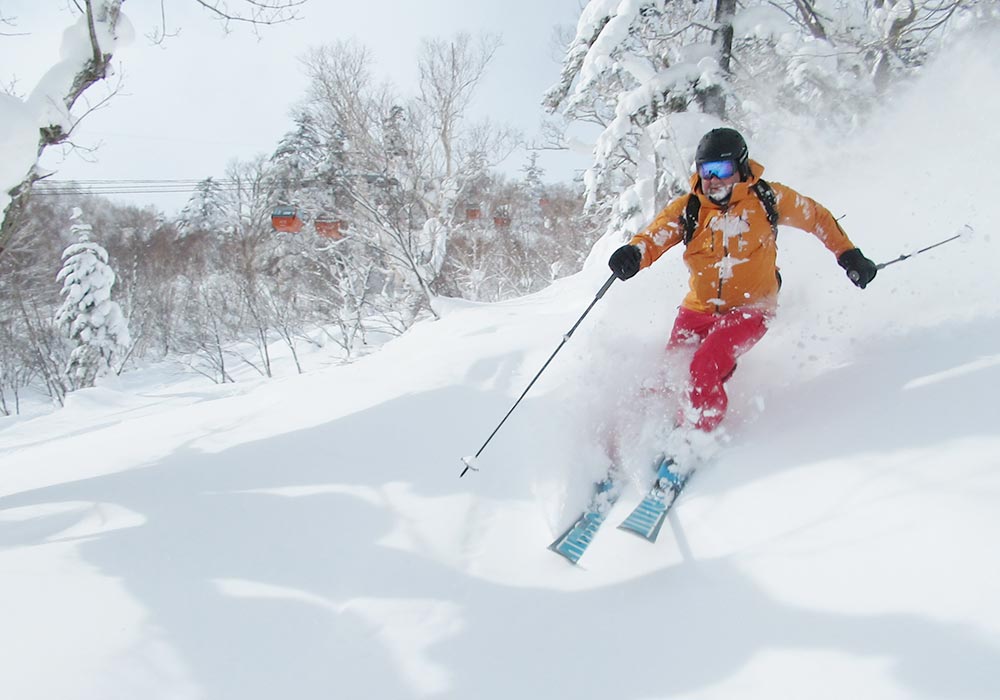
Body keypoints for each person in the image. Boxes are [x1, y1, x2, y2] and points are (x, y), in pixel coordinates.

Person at [608, 127, 877, 433]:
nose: (713, 179)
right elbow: (654, 236)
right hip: (698, 309)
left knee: (704, 365)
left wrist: (848, 254)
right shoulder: (691, 208)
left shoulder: (767, 198)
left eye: (721, 169)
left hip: (752, 308)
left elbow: (816, 217)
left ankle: (695, 437)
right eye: (705, 170)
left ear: (741, 166)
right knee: (670, 372)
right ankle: (650, 429)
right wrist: (634, 253)